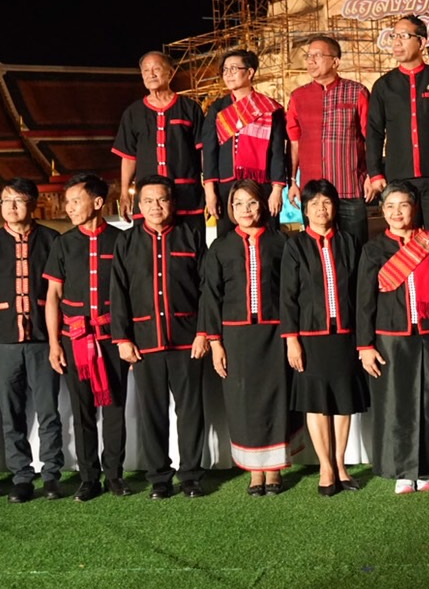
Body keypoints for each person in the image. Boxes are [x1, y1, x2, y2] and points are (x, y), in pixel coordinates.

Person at [110, 176, 209, 499]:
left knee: (191, 410)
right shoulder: (126, 243)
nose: (156, 206)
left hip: (187, 340)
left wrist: (204, 332)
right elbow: (119, 293)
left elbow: (206, 290)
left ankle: (191, 475)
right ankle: (160, 478)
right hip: (145, 341)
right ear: (139, 207)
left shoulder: (191, 236)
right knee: (151, 412)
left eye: (162, 200)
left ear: (173, 203)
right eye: (149, 201)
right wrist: (122, 338)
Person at [200, 180, 299, 495]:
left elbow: (291, 292)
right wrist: (215, 343)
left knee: (276, 398)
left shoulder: (281, 243)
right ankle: (255, 471)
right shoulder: (221, 247)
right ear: (230, 209)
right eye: (239, 203)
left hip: (274, 333)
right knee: (242, 401)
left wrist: (291, 334)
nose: (246, 210)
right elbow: (210, 297)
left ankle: (274, 469)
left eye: (252, 203)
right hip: (236, 336)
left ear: (264, 206)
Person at [0, 178, 64, 503]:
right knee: (11, 414)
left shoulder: (52, 240)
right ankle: (22, 476)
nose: (11, 207)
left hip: (42, 340)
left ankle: (52, 474)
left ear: (33, 204)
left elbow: (59, 294)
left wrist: (58, 340)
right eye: (6, 201)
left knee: (48, 411)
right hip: (4, 341)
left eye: (18, 200)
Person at [44, 173, 131, 502]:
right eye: (67, 203)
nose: (69, 208)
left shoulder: (121, 240)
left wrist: (127, 339)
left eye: (75, 201)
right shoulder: (63, 243)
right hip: (75, 337)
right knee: (82, 410)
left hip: (112, 336)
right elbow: (53, 296)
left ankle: (114, 474)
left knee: (115, 408)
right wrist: (55, 343)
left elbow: (129, 291)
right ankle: (88, 477)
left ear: (97, 203)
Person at [356, 181, 429, 492]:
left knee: (428, 399)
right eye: (390, 206)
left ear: (415, 208)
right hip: (390, 336)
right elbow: (364, 301)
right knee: (395, 403)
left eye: (403, 205)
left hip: (428, 333)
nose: (397, 212)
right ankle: (400, 470)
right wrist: (365, 345)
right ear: (382, 211)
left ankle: (426, 469)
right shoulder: (373, 249)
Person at [280, 179, 368, 496]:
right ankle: (326, 469)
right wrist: (292, 339)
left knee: (343, 403)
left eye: (326, 202)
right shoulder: (296, 245)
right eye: (314, 204)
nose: (321, 208)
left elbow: (360, 292)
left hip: (344, 334)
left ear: (335, 207)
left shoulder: (349, 242)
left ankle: (341, 466)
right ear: (304, 210)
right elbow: (288, 297)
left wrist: (363, 337)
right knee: (317, 404)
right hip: (310, 336)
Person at [366, 15, 429, 236]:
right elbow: (374, 131)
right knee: (405, 237)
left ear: (421, 42)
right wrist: (375, 173)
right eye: (393, 36)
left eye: (404, 36)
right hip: (399, 177)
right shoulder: (383, 86)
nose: (396, 42)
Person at [286, 35, 372, 243]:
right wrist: (292, 181)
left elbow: (371, 137)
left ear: (335, 61)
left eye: (317, 55)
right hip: (313, 193)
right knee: (318, 251)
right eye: (308, 56)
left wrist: (372, 174)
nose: (310, 61)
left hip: (349, 188)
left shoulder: (356, 91)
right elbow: (294, 142)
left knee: (355, 248)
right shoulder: (298, 97)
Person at [112, 50, 205, 232]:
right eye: (146, 71)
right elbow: (129, 156)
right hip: (147, 199)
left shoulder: (189, 108)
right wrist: (124, 192)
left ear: (170, 73)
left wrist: (210, 189)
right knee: (148, 250)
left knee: (190, 247)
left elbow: (203, 152)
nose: (151, 74)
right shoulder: (133, 113)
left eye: (156, 69)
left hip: (186, 195)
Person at [202, 49, 288, 237]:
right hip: (227, 186)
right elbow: (209, 152)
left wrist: (277, 190)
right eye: (225, 70)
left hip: (261, 184)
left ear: (250, 72)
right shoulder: (217, 108)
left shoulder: (269, 108)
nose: (228, 74)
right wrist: (210, 192)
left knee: (267, 237)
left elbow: (277, 152)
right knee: (229, 239)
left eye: (234, 68)